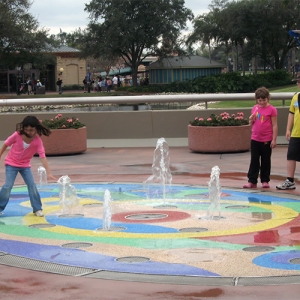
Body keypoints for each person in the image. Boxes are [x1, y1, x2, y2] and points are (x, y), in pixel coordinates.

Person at [0, 116, 56, 217]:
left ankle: (37, 208)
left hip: (25, 166)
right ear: (23, 128)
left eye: (31, 130)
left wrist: (48, 172)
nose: (29, 132)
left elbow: (42, 157)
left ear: (36, 129)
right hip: (11, 164)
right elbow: (5, 144)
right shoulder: (17, 135)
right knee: (8, 186)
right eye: (26, 129)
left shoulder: (37, 141)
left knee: (32, 185)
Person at [243, 87, 278, 189]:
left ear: (268, 98)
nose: (262, 102)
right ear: (256, 99)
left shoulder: (272, 109)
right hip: (255, 138)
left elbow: (274, 125)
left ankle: (265, 180)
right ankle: (252, 180)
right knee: (254, 159)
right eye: (259, 100)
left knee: (266, 160)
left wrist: (274, 139)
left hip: (266, 139)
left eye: (264, 100)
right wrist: (250, 120)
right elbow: (252, 123)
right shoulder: (255, 108)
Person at [276, 75, 300, 190]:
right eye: (298, 82)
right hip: (296, 133)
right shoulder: (296, 97)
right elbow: (292, 113)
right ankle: (290, 180)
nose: (298, 84)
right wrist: (288, 129)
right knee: (291, 156)